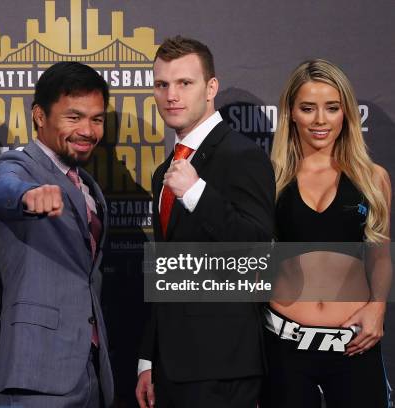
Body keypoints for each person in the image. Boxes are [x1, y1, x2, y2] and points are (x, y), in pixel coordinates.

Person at [135, 36, 275, 408]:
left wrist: (197, 193)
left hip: (223, 366)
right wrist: (149, 358)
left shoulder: (241, 155)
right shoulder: (167, 170)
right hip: (172, 367)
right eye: (162, 84)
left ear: (211, 87)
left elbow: (260, 247)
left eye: (185, 83)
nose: (171, 95)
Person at [0, 61, 114, 407]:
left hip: (89, 371)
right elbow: (0, 189)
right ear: (40, 115)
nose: (88, 130)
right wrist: (26, 196)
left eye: (96, 119)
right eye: (74, 117)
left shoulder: (88, 186)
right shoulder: (17, 165)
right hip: (34, 371)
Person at [261, 59, 392, 407]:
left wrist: (377, 309)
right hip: (284, 345)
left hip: (353, 344)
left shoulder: (373, 177)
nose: (320, 120)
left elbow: (380, 256)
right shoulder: (269, 177)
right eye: (308, 108)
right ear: (291, 113)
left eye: (331, 108)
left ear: (346, 112)